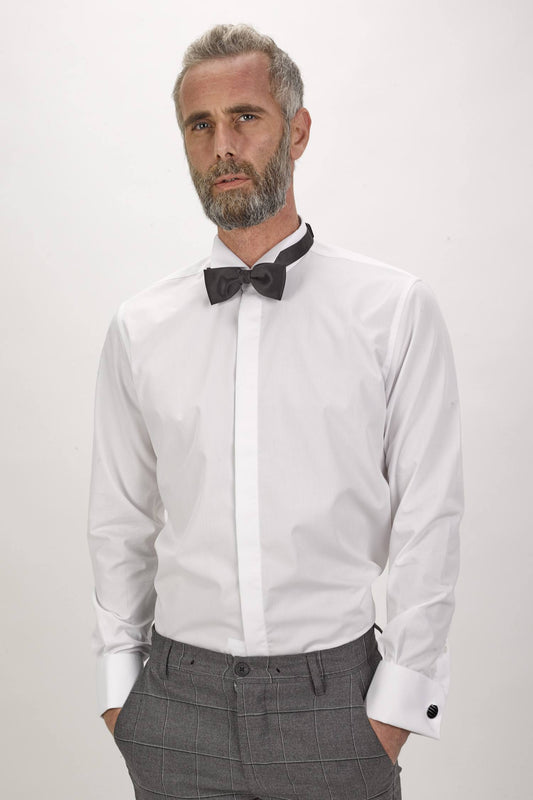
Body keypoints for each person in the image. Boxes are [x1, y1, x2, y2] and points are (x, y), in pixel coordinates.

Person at [87, 23, 463, 800]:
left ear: (296, 130)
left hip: (338, 708)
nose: (223, 145)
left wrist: (395, 711)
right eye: (200, 125)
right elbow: (119, 521)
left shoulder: (392, 309)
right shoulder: (139, 326)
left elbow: (429, 516)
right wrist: (121, 694)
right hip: (174, 706)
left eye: (245, 117)